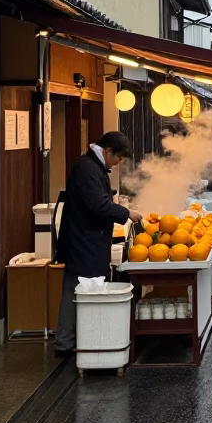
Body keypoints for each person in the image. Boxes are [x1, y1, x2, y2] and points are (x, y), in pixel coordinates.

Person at [54, 131, 142, 357]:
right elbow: (98, 205)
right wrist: (127, 213)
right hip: (82, 242)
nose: (119, 163)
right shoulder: (87, 169)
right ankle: (66, 344)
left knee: (82, 291)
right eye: (118, 158)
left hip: (88, 240)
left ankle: (82, 340)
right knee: (77, 290)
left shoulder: (92, 166)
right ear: (107, 151)